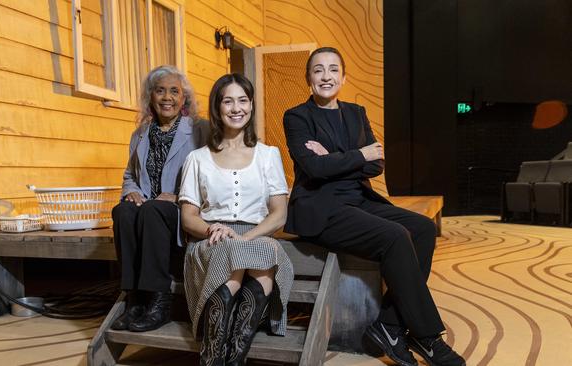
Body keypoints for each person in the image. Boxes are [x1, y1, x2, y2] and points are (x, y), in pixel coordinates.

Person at [282, 47, 465, 366]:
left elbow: (376, 164)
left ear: (344, 76)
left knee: (421, 228)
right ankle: (426, 337)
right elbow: (313, 170)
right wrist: (355, 155)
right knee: (395, 236)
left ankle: (389, 325)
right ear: (308, 78)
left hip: (359, 198)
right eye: (318, 70)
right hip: (321, 207)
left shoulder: (356, 112)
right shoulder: (297, 116)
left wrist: (332, 158)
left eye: (333, 69)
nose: (326, 76)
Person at [179, 73, 293, 366]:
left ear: (251, 105)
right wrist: (210, 228)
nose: (236, 108)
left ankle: (234, 358)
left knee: (267, 251)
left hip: (256, 234)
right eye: (227, 101)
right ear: (218, 108)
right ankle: (213, 357)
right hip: (212, 237)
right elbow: (188, 217)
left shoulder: (268, 155)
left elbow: (279, 213)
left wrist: (246, 236)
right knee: (229, 251)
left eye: (242, 100)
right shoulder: (198, 158)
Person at [111, 65, 208, 332]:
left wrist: (179, 196)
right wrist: (130, 191)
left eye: (174, 91)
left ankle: (159, 300)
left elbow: (211, 175)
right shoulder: (140, 134)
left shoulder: (200, 130)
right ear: (150, 97)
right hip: (148, 210)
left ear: (184, 98)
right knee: (123, 211)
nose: (167, 97)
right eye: (160, 91)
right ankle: (134, 300)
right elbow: (130, 174)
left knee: (152, 210)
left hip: (182, 208)